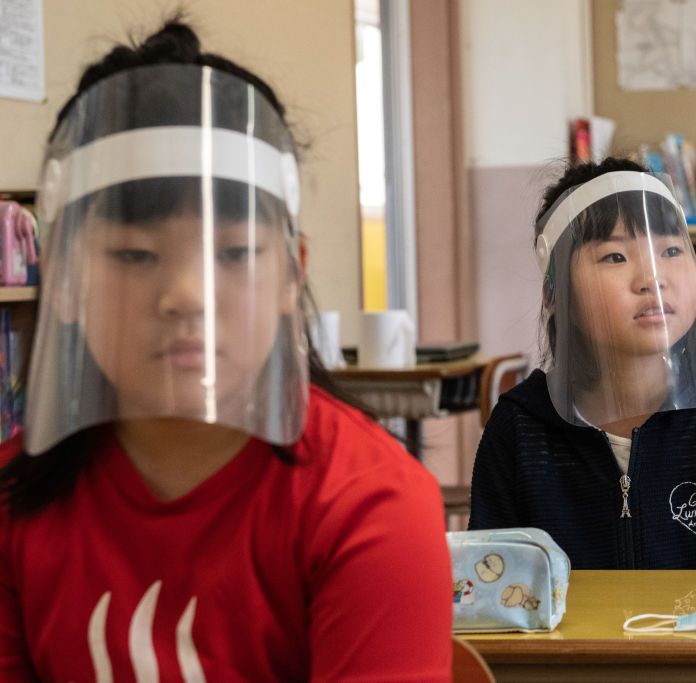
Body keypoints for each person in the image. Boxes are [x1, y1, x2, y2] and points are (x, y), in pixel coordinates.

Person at [0, 20, 451, 681]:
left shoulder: (368, 503)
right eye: (134, 253)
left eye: (235, 252)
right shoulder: (16, 504)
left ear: (291, 274)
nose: (187, 294)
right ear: (65, 279)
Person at [469, 158, 696, 570]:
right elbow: (495, 590)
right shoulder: (520, 428)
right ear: (555, 294)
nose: (652, 278)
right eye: (614, 256)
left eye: (671, 250)